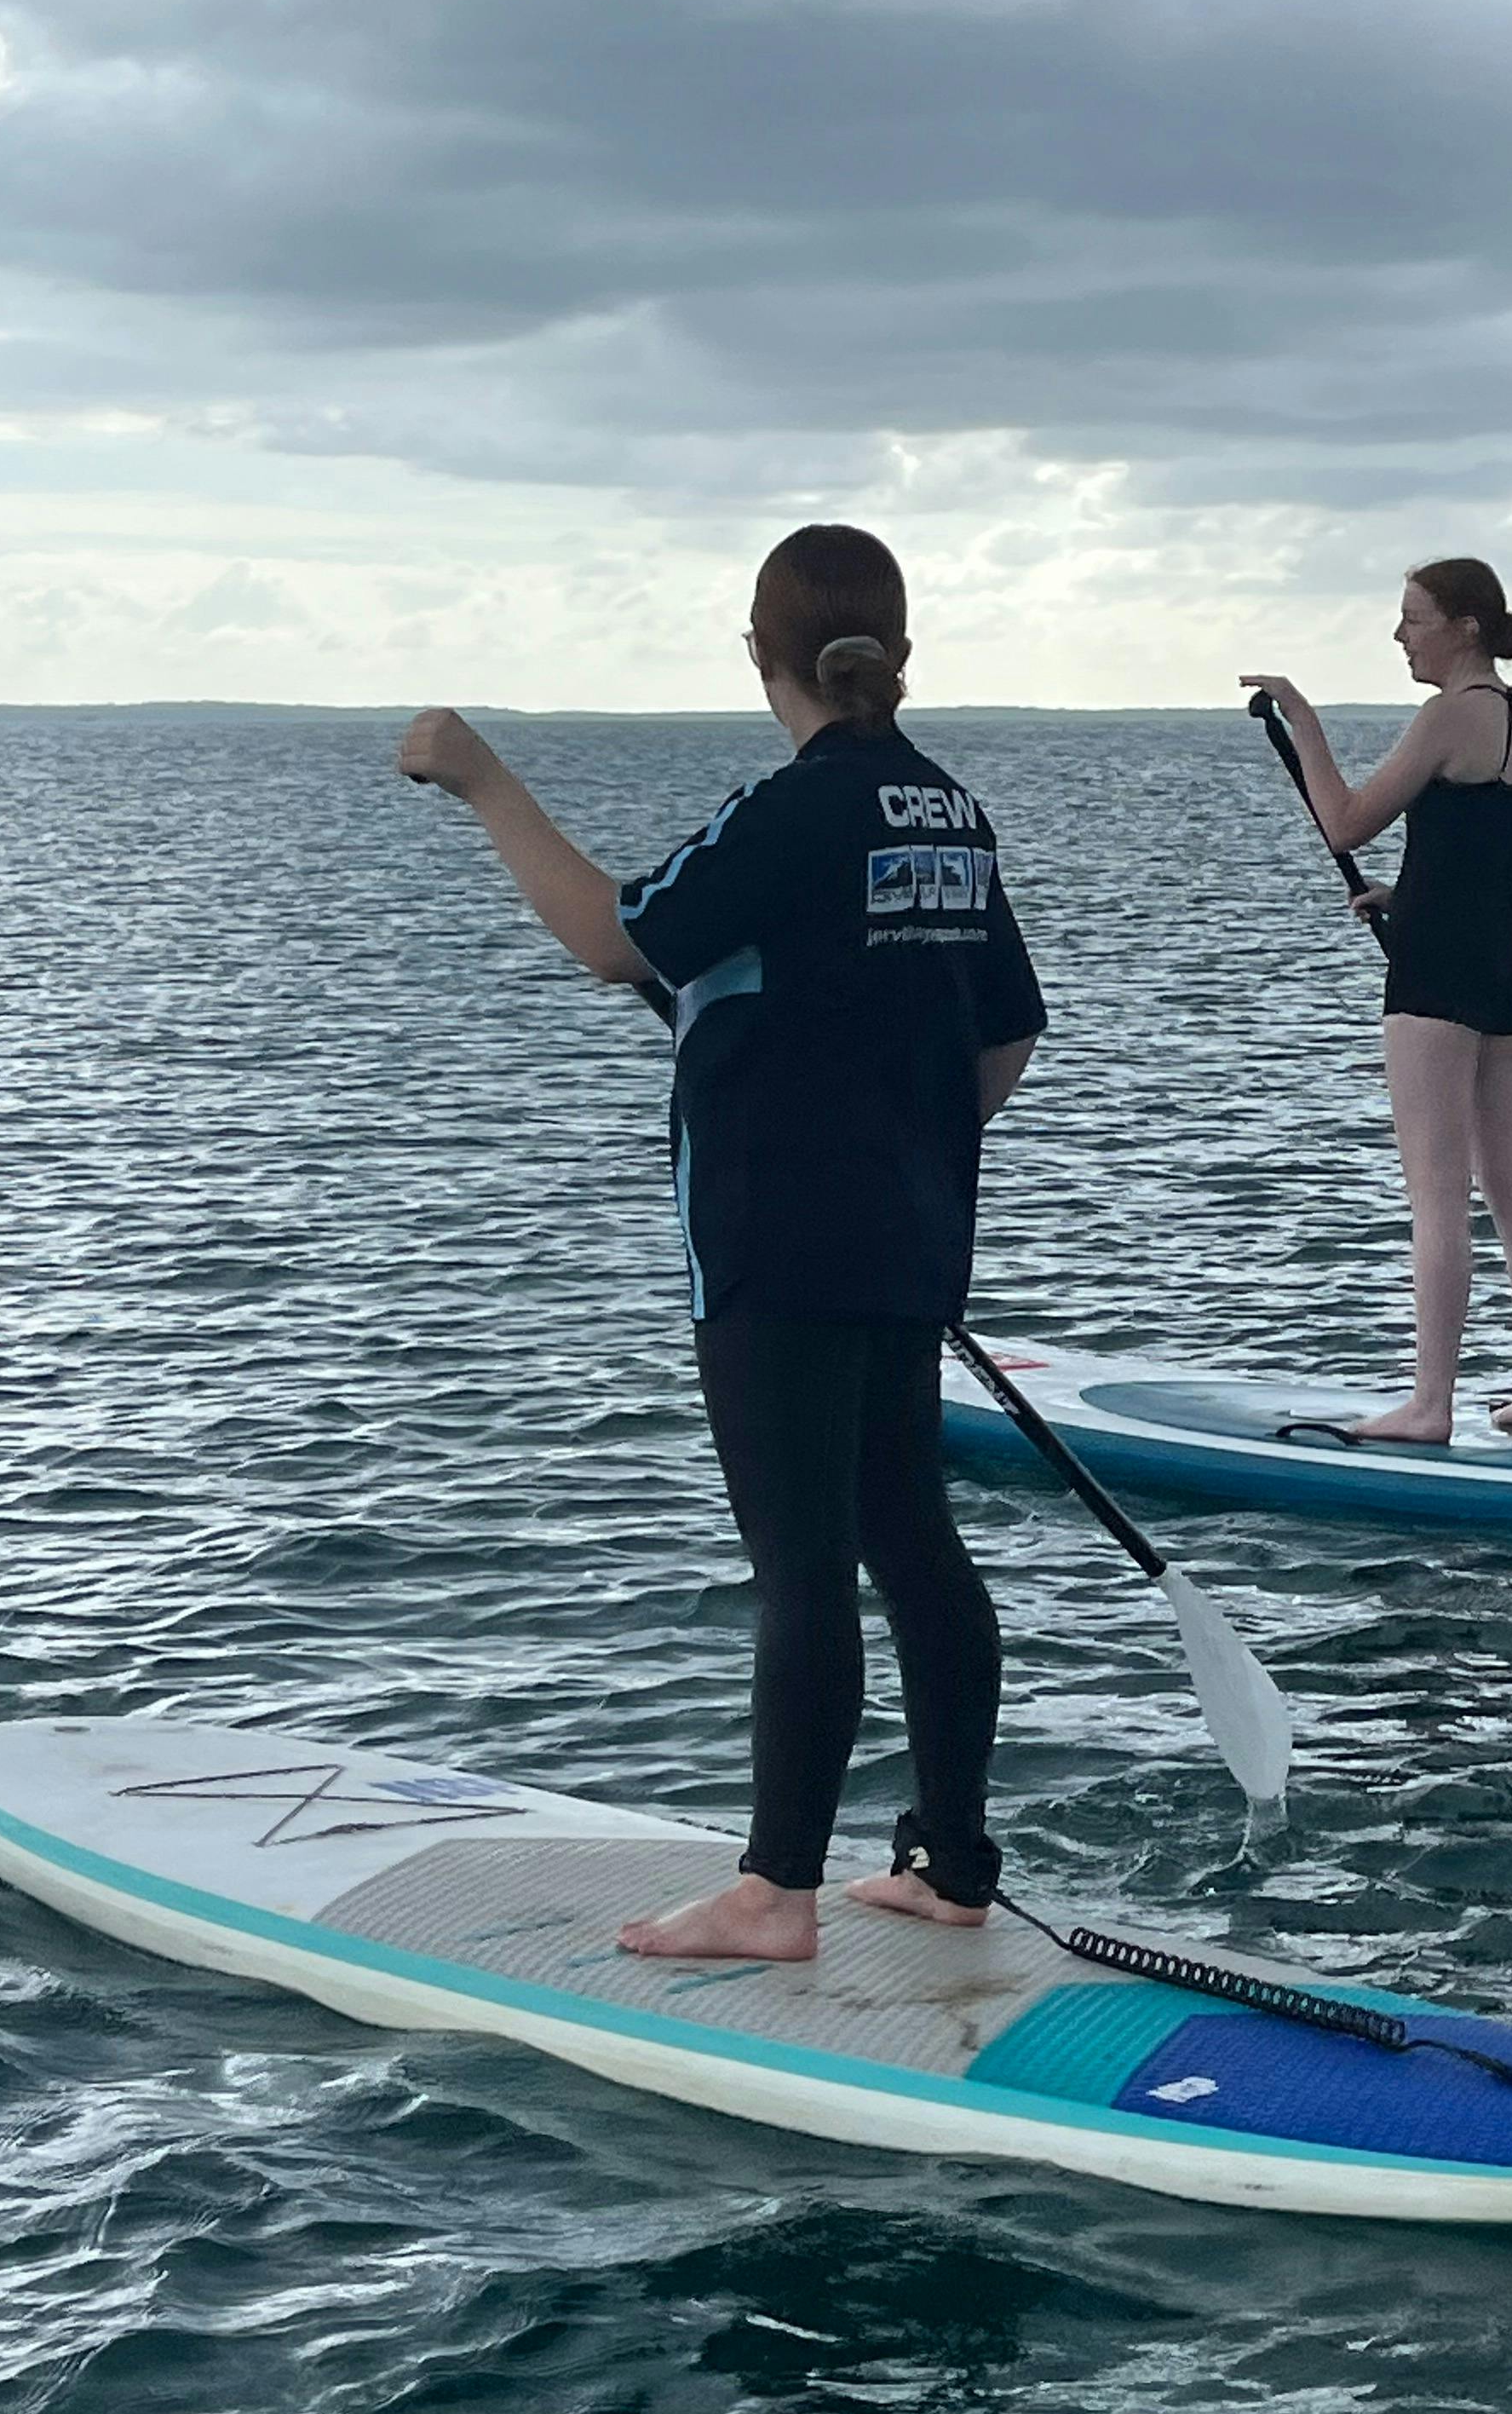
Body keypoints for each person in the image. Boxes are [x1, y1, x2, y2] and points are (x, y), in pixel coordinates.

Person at [397, 522, 1048, 1960]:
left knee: (799, 1559)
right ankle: (950, 1863)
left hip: (774, 1237)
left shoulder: (795, 810)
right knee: (910, 1535)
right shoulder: (946, 810)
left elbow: (616, 938)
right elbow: (1001, 1030)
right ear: (900, 652)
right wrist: (904, 1130)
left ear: (761, 654)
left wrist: (483, 781)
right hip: (909, 1229)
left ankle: (772, 1891)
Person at [1242, 558, 1512, 1443]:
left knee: (1436, 1195)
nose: (1400, 636)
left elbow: (1346, 822)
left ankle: (1430, 1405)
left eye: (1413, 619)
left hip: (1438, 973)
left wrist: (1303, 721)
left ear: (1464, 626)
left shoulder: (1445, 716)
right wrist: (1414, 889)